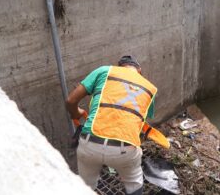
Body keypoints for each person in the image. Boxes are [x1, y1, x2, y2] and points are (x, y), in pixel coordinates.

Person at [66, 55, 158, 195]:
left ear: (119, 67)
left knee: (85, 186)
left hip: (90, 144)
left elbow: (71, 101)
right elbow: (139, 122)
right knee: (134, 183)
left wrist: (76, 113)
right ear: (139, 70)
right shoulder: (149, 88)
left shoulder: (105, 71)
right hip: (124, 150)